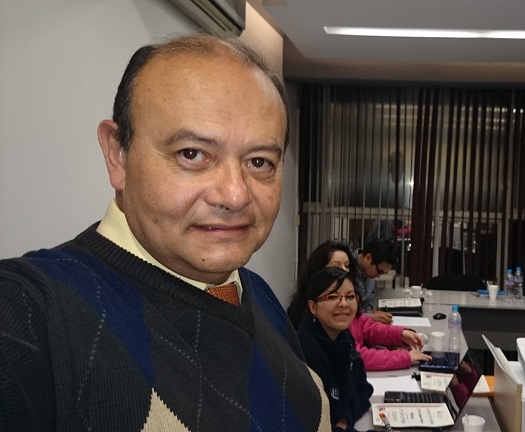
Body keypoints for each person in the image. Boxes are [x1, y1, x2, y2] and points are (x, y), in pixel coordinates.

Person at [0, 34, 329, 431]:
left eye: (259, 162)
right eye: (192, 154)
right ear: (117, 155)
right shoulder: (30, 311)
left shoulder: (257, 295)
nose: (235, 195)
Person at [287, 241, 430, 371]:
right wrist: (405, 357)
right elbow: (354, 354)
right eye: (337, 266)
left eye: (347, 266)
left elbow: (362, 324)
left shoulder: (345, 297)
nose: (344, 271)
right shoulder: (321, 313)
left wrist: (399, 334)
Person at [296, 267, 374, 432]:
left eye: (350, 296)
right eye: (332, 297)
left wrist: (346, 419)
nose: (344, 304)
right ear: (313, 307)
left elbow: (363, 388)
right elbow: (313, 425)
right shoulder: (304, 352)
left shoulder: (343, 337)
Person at [355, 238, 399, 324]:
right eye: (379, 271)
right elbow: (344, 314)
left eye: (383, 273)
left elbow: (366, 307)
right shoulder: (346, 268)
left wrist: (374, 313)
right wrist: (371, 316)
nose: (378, 276)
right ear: (368, 258)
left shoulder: (369, 273)